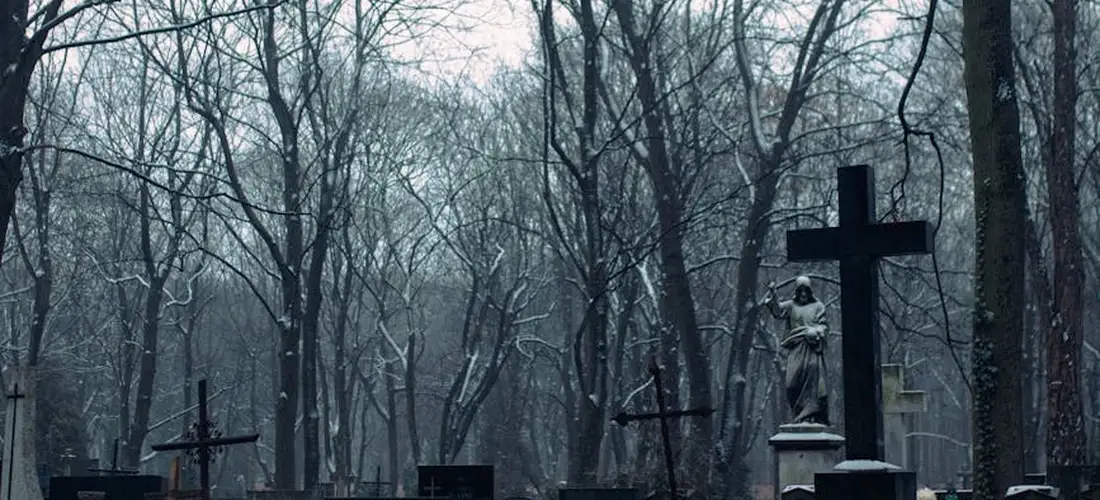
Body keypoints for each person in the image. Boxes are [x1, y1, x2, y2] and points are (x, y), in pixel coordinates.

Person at [765, 276, 830, 425]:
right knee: (791, 384)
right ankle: (798, 413)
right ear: (797, 292)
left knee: (812, 380)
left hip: (812, 347)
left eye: (806, 291)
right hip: (796, 347)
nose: (803, 295)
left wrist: (816, 332)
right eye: (800, 291)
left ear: (810, 292)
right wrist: (773, 293)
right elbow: (777, 311)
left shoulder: (818, 306)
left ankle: (809, 415)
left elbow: (824, 326)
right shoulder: (791, 306)